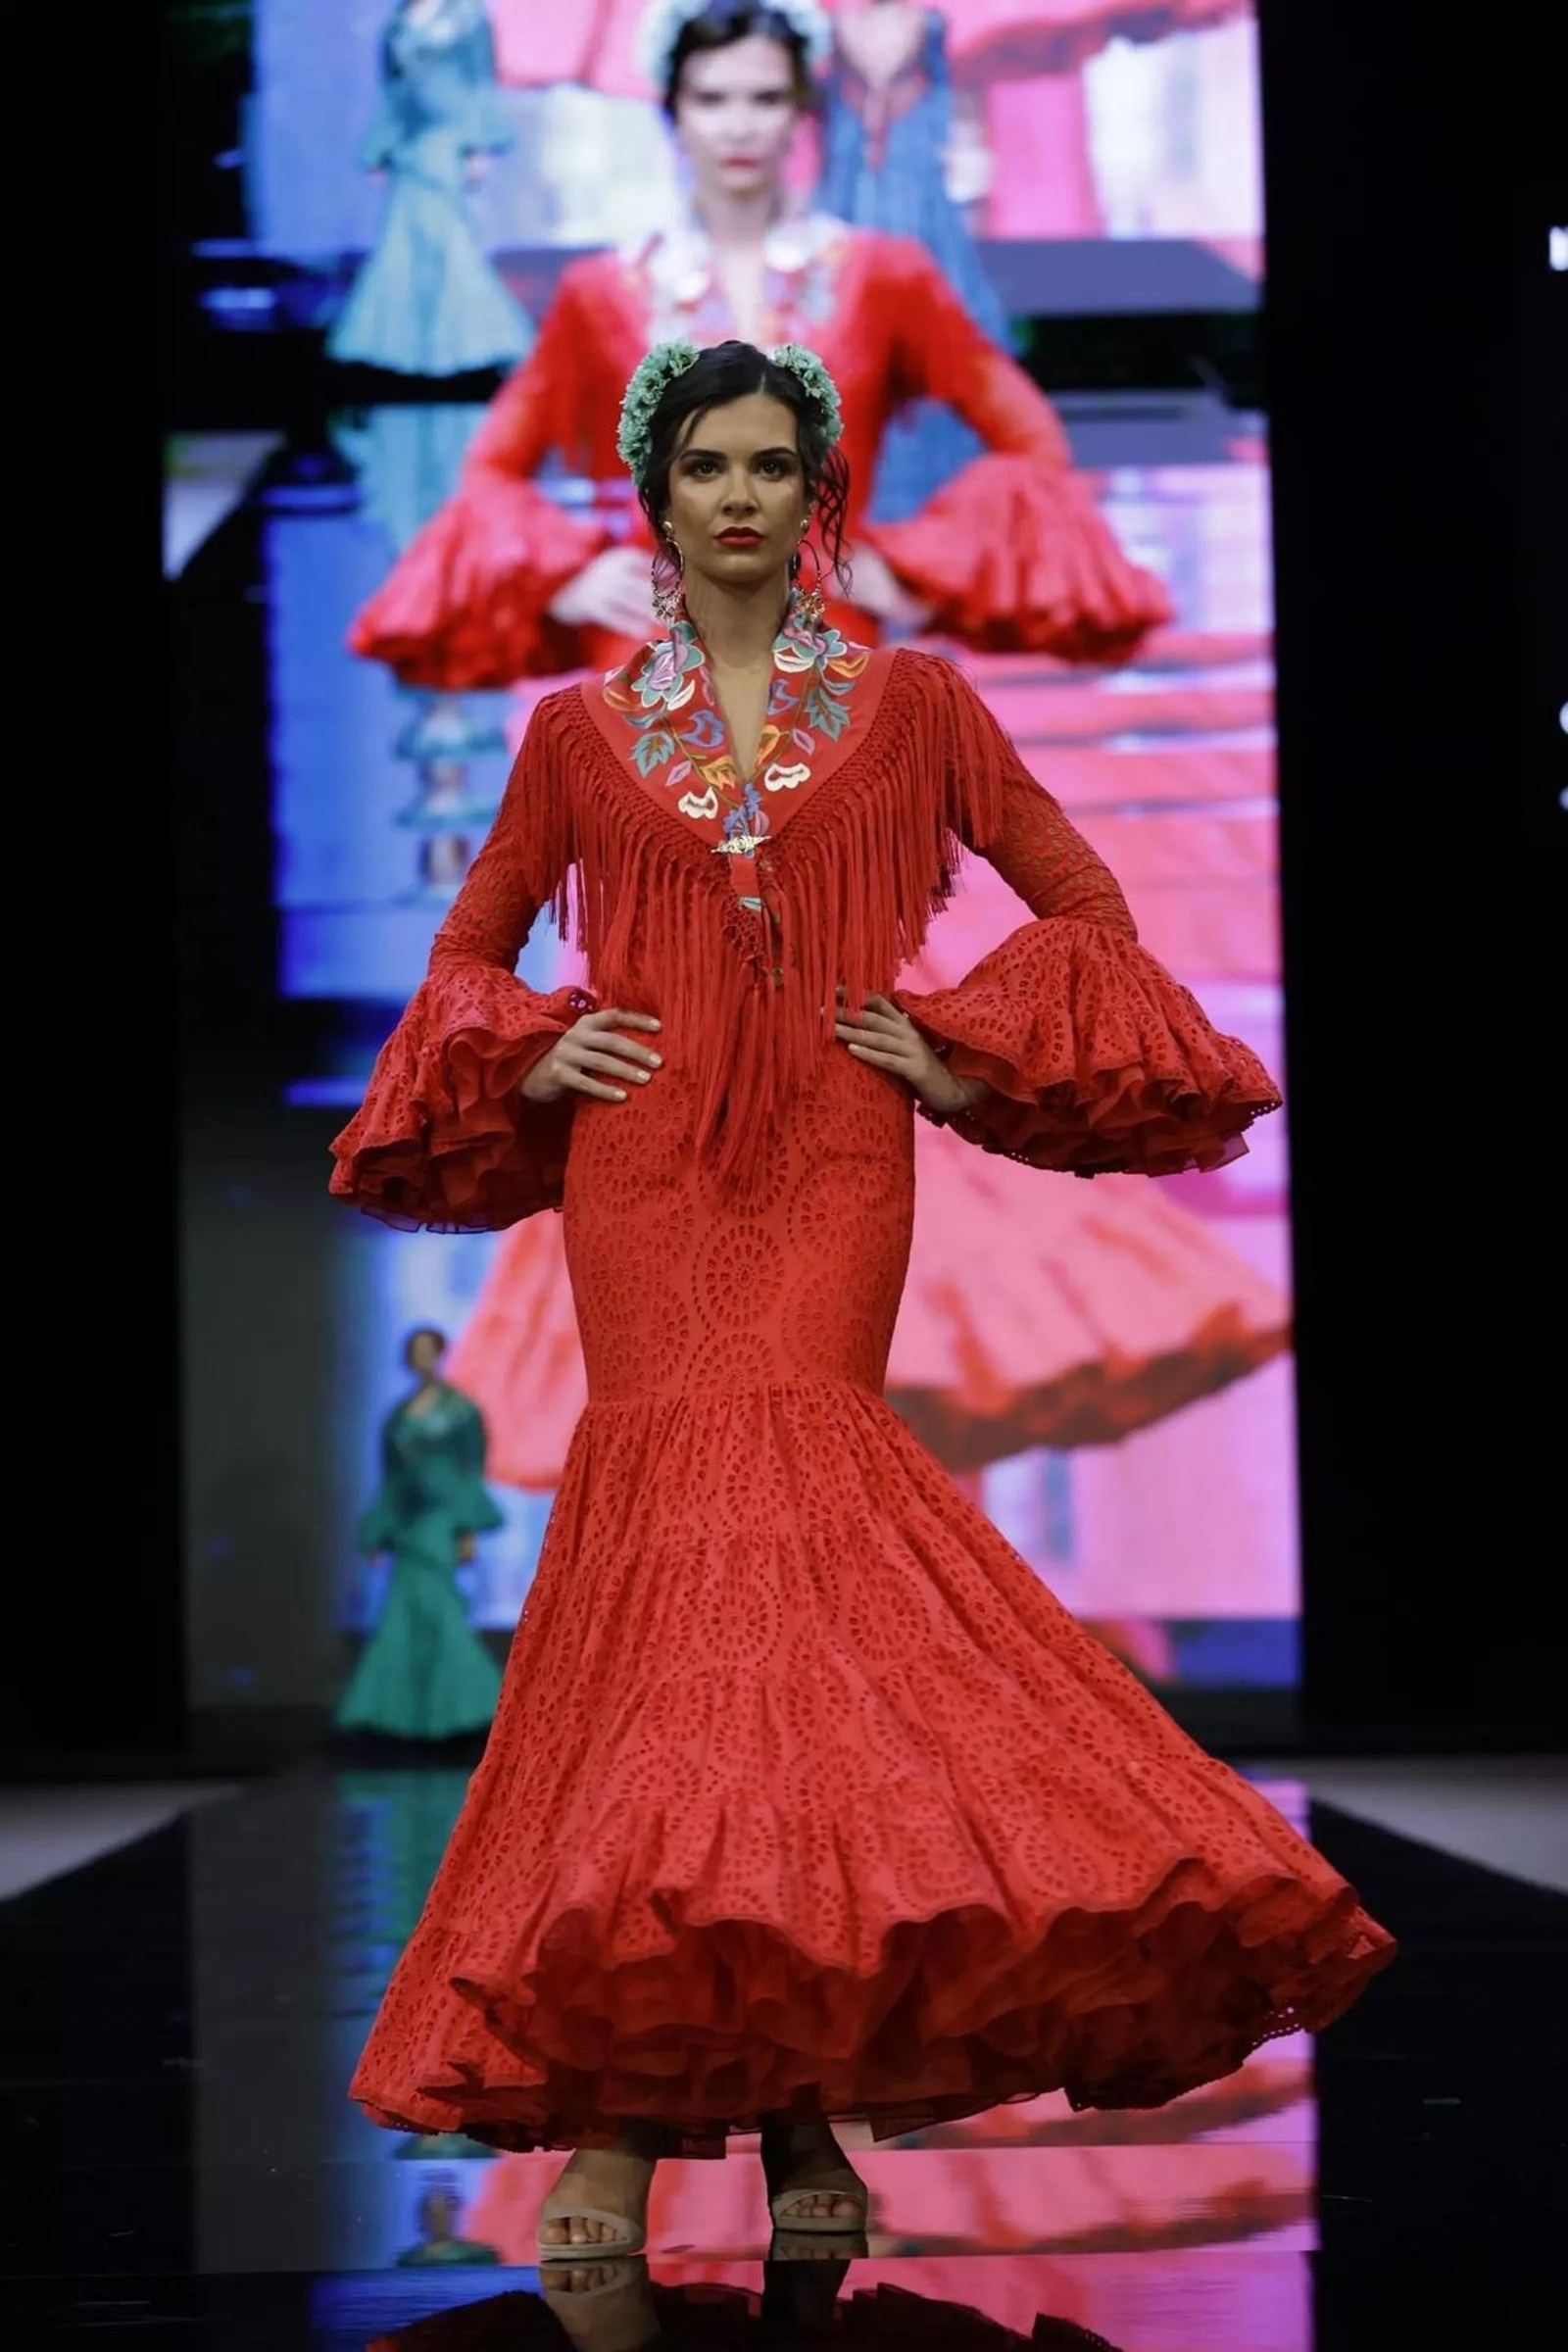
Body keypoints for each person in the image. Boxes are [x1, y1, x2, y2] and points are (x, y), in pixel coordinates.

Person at [329, 337, 1393, 2258]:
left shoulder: (913, 705)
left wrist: (961, 1054)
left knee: (789, 1590)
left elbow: (1082, 905)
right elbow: (469, 952)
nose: (737, 495)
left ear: (818, 494)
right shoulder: (576, 730)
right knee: (679, 1612)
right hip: (644, 1173)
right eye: (705, 467)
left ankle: (741, 2108)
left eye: (771, 465)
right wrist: (541, 1046)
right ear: (654, 498)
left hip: (830, 1158)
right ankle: (724, 2116)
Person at [347, 0, 1172, 693]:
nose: (739, 126)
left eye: (766, 98)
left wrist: (918, 573)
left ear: (802, 110)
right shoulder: (601, 291)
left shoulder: (882, 276)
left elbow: (1029, 439)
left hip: (831, 650)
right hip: (648, 656)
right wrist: (570, 581)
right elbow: (491, 469)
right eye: (712, 99)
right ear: (672, 110)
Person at [328, 0, 531, 379]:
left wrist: (477, 146)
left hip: (449, 139)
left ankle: (473, 346)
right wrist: (379, 147)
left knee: (448, 238)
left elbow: (480, 78)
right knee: (404, 240)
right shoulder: (398, 21)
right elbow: (393, 90)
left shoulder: (467, 15)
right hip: (409, 144)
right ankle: (407, 353)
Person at [334, 1327, 505, 1741]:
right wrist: (378, 1529)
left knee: (439, 1611)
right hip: (407, 1525)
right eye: (416, 1352)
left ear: (441, 1354)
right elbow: (390, 1478)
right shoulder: (398, 1417)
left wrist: (467, 1529)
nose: (423, 1358)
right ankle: (407, 1720)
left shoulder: (460, 1411)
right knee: (403, 1615)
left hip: (441, 1522)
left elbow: (471, 1468)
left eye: (430, 1351)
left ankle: (468, 1712)